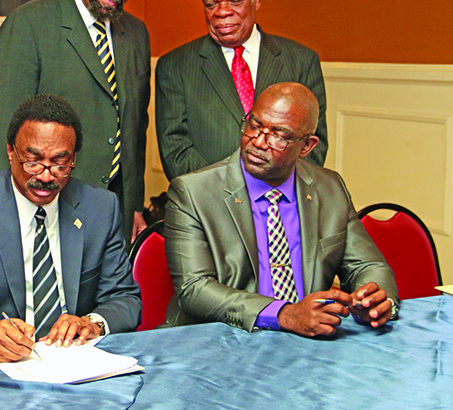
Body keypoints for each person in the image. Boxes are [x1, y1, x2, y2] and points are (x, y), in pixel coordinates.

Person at [163, 83, 398, 337]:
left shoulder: (329, 188)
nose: (258, 141)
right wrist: (283, 314)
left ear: (307, 146)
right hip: (219, 339)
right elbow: (194, 289)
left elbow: (368, 265)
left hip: (307, 341)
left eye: (279, 135)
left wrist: (371, 301)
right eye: (255, 124)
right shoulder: (193, 191)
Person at [0, 94, 141, 361]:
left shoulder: (100, 208)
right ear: (10, 151)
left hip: (76, 360)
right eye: (32, 162)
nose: (45, 176)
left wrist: (92, 323)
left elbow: (125, 299)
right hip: (1, 365)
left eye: (60, 164)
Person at [0, 0, 151, 244]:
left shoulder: (137, 34)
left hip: (117, 207)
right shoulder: (30, 24)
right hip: (50, 198)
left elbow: (134, 128)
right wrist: (11, 208)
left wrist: (135, 204)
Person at [155, 0, 328, 181]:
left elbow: (313, 143)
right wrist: (226, 197)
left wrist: (272, 192)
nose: (222, 12)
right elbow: (175, 150)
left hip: (279, 204)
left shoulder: (302, 61)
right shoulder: (174, 66)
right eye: (211, 4)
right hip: (208, 206)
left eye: (234, 0)